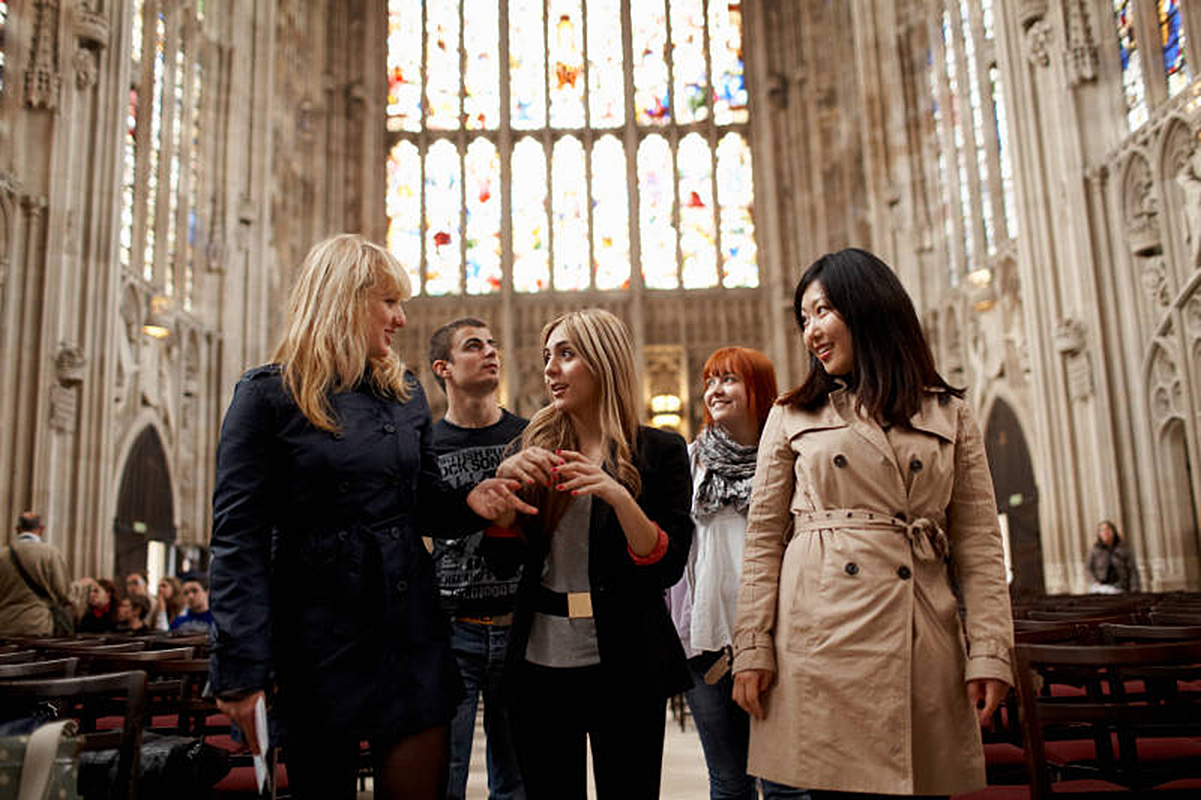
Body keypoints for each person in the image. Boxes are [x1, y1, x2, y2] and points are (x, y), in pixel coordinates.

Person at [208, 233, 532, 800]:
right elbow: (238, 541)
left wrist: (470, 502)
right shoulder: (267, 397)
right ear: (345, 300)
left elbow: (422, 501)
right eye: (389, 302)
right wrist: (240, 670)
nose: (401, 319)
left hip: (407, 628)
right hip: (318, 636)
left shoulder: (403, 393)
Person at [732, 249, 1014, 798]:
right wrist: (752, 646)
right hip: (821, 638)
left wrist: (989, 649)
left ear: (868, 306)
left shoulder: (948, 413)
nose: (811, 331)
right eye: (804, 318)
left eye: (822, 311)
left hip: (920, 635)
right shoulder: (791, 413)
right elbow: (763, 541)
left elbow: (979, 544)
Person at [491, 309, 694, 800]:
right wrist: (504, 503)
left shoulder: (660, 450)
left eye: (566, 354)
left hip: (626, 660)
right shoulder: (531, 449)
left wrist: (618, 496)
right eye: (547, 356)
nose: (550, 369)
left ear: (604, 362)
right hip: (540, 662)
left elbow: (666, 567)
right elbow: (501, 563)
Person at [667, 348, 803, 800]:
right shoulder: (690, 462)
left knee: (785, 782)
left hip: (777, 636)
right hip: (707, 641)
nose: (715, 390)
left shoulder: (790, 457)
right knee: (728, 781)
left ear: (758, 388)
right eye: (710, 381)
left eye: (728, 380)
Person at [427, 318, 527, 800]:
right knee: (445, 775)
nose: (490, 352)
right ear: (443, 368)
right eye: (474, 346)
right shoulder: (426, 445)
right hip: (451, 630)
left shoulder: (527, 437)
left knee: (517, 780)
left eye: (492, 344)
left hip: (520, 626)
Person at [0, 512, 73, 636]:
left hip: (5, 624)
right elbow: (63, 592)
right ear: (41, 529)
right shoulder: (50, 553)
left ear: (17, 529)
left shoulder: (2, 555)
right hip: (37, 623)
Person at [1087, 520, 1140, 593]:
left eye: (1108, 529)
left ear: (1113, 532)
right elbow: (1088, 568)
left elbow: (1132, 570)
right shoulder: (1094, 550)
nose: (1105, 533)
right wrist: (1094, 581)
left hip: (1120, 586)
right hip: (1101, 587)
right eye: (1102, 530)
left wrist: (1135, 588)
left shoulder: (1124, 549)